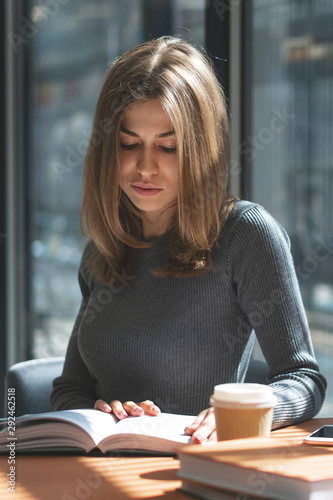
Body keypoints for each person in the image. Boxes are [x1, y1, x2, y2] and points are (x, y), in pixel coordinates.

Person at [51, 36, 326, 444]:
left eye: (168, 148)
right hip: (106, 471)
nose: (146, 167)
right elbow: (69, 387)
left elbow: (303, 379)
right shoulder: (103, 251)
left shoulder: (245, 235)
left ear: (201, 152)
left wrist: (238, 414)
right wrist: (97, 413)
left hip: (199, 469)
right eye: (129, 144)